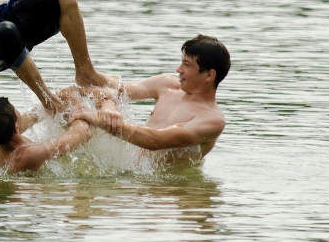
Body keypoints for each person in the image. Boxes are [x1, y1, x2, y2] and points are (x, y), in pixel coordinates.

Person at [70, 34, 231, 163]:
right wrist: (82, 93)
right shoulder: (166, 85)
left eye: (187, 65)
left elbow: (156, 140)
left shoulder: (212, 120)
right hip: (133, 173)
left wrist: (100, 120)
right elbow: (115, 90)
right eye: (181, 63)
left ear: (209, 75)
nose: (179, 69)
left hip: (164, 193)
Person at [0, 97, 92, 174]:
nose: (21, 114)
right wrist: (79, 106)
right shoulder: (28, 156)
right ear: (16, 128)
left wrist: (54, 100)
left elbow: (33, 115)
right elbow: (83, 133)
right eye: (17, 111)